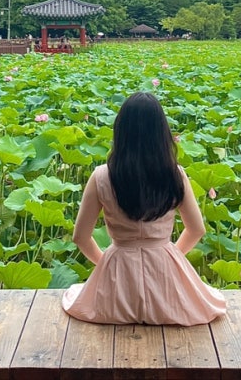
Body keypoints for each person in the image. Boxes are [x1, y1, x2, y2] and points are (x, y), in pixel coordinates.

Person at [62, 92, 226, 325]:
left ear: (121, 131)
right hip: (165, 277)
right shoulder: (175, 174)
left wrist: (107, 266)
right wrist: (172, 260)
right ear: (162, 133)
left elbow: (80, 237)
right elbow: (197, 229)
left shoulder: (101, 176)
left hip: (117, 277)